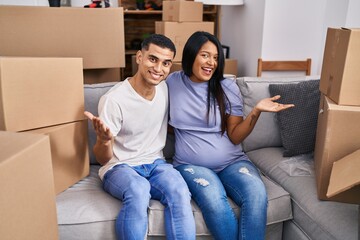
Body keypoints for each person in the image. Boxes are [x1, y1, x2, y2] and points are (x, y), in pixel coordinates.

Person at [166, 31, 294, 240]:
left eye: (216, 58)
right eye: (205, 55)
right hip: (191, 164)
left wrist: (256, 111)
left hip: (232, 162)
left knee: (256, 194)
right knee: (214, 199)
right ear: (191, 55)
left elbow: (235, 136)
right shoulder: (172, 82)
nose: (211, 62)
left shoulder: (226, 87)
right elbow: (161, 116)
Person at [84, 34, 196, 240]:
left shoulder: (165, 88)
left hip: (155, 163)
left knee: (180, 190)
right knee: (139, 189)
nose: (158, 69)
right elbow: (103, 159)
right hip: (120, 166)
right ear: (139, 57)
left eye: (166, 63)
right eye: (152, 59)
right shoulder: (114, 100)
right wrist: (104, 141)